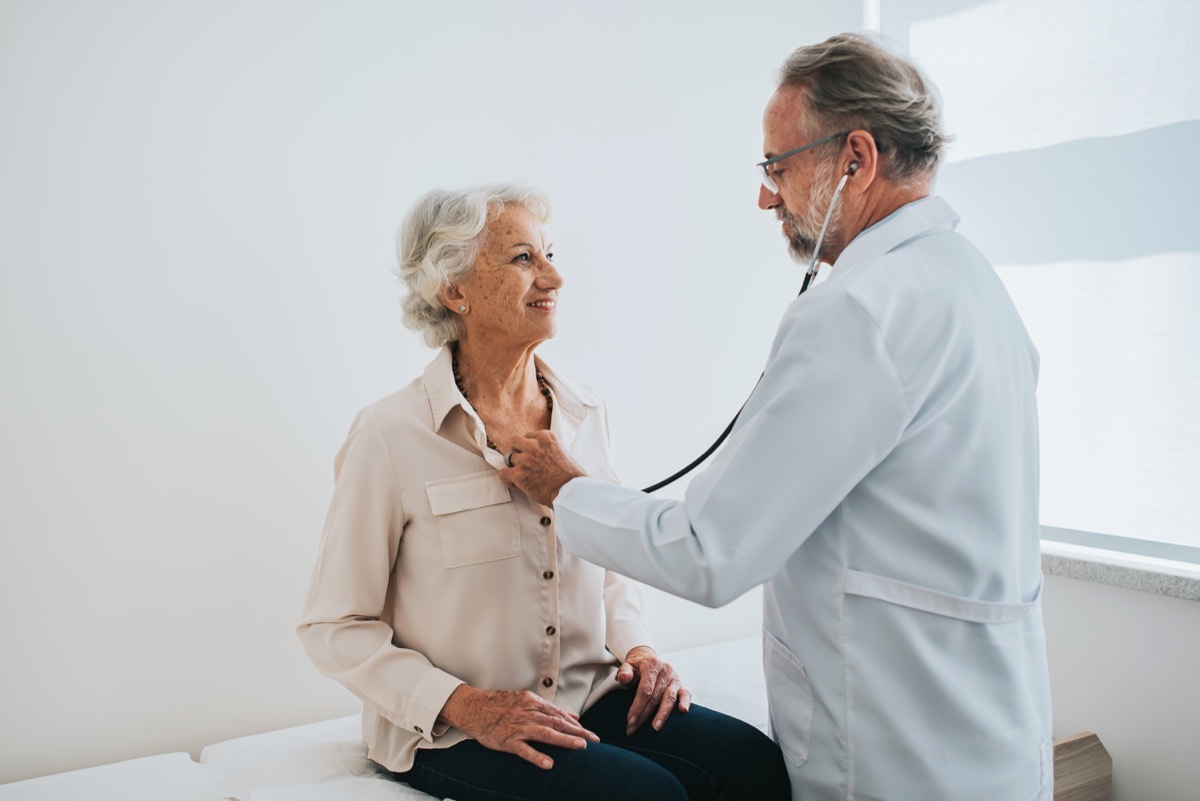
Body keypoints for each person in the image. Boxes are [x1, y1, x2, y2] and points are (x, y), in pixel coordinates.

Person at [501, 33, 1054, 801]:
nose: (766, 196)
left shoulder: (857, 313)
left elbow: (708, 552)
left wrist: (566, 489)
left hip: (895, 750)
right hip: (989, 735)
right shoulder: (973, 284)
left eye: (778, 167)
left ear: (855, 158)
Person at [296, 183, 790, 801]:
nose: (553, 276)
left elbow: (610, 562)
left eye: (550, 253)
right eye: (523, 259)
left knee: (754, 764)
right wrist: (467, 705)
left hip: (591, 696)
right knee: (643, 796)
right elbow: (334, 625)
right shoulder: (389, 434)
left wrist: (639, 649)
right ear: (456, 290)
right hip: (457, 728)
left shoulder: (584, 412)